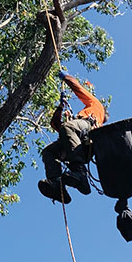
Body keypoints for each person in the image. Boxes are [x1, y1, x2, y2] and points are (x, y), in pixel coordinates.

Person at [38, 71, 107, 204]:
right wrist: (60, 106)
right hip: (78, 146)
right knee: (49, 152)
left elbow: (79, 89)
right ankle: (56, 184)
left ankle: (80, 173)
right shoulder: (74, 126)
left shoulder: (96, 108)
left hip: (87, 135)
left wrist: (66, 78)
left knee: (68, 127)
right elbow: (56, 125)